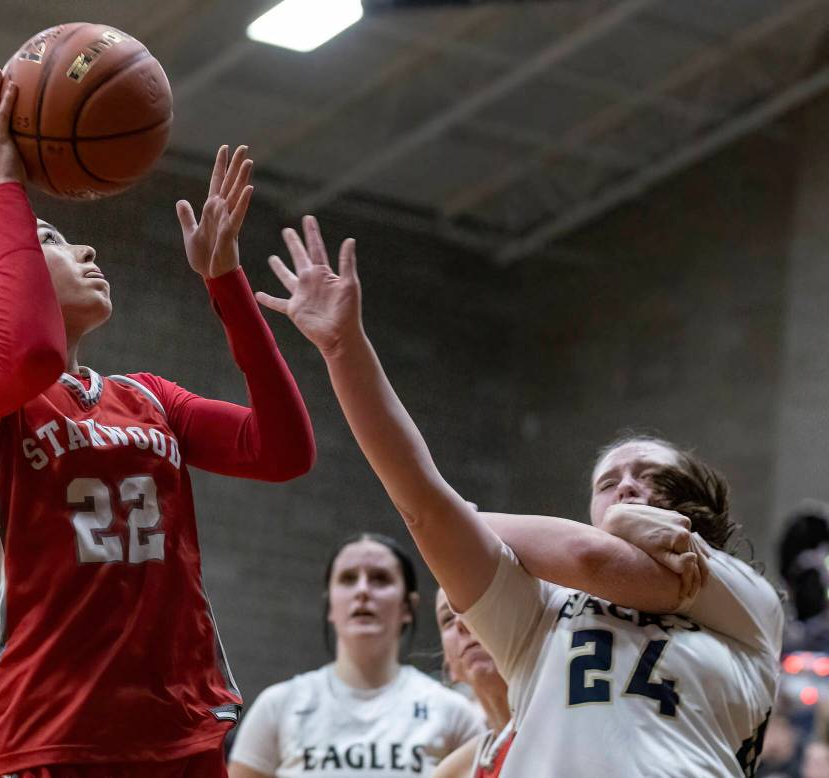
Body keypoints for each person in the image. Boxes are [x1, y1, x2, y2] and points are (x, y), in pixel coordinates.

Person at [255, 216, 784, 777]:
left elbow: (591, 556)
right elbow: (422, 501)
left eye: (651, 476)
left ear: (697, 504)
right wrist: (344, 349)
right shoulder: (541, 612)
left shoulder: (747, 597)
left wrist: (461, 515)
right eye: (607, 482)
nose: (626, 486)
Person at [0, 69, 315, 778]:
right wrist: (4, 180)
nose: (89, 251)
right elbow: (31, 354)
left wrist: (225, 279)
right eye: (54, 240)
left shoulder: (148, 396)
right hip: (49, 733)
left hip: (182, 728)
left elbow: (283, 450)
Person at [228, 533, 483, 777]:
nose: (362, 591)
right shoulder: (278, 705)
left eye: (380, 579)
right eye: (348, 579)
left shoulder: (454, 713)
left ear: (408, 607)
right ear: (330, 606)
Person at [432, 587, 512, 778]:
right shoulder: (451, 772)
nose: (460, 621)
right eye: (447, 619)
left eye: (476, 604)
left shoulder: (568, 726)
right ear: (449, 664)